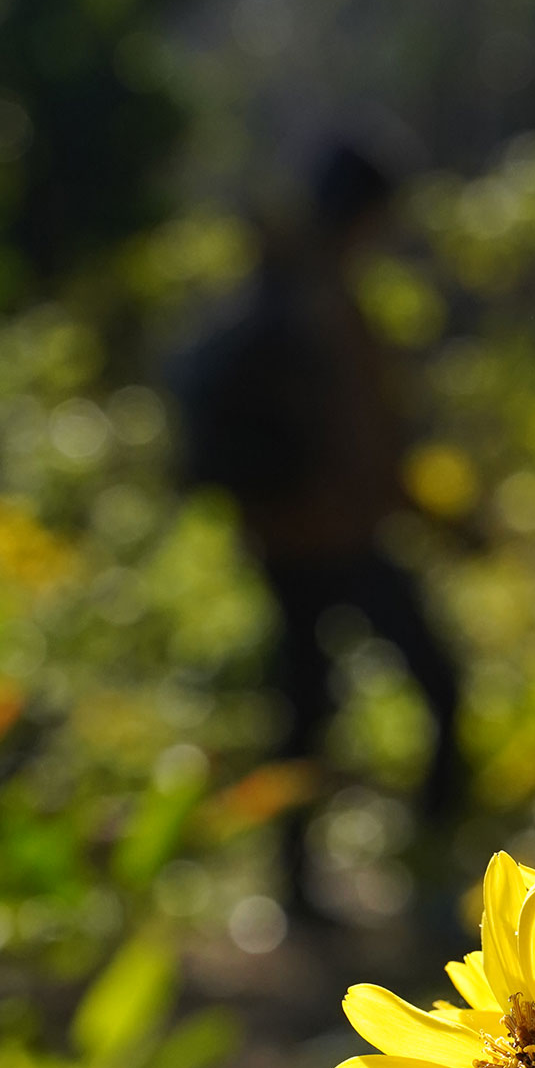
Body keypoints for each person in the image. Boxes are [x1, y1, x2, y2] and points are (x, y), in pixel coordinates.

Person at [174, 142, 464, 914]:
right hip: (332, 540)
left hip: (287, 538)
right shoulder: (318, 297)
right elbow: (357, 432)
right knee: (430, 686)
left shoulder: (284, 282)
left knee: (306, 710)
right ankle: (418, 870)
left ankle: (300, 890)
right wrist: (420, 509)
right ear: (368, 213)